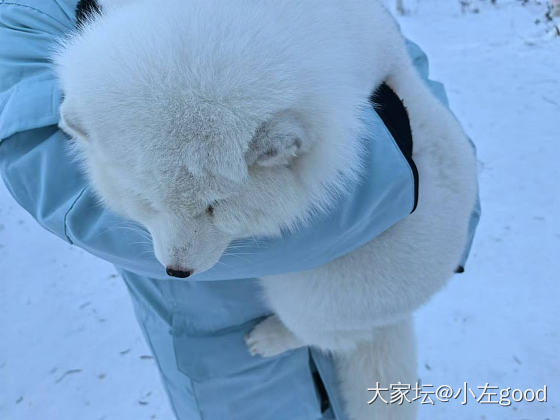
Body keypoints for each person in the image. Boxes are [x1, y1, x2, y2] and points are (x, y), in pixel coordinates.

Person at [0, 1, 479, 418]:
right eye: (151, 206)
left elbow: (409, 98)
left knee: (333, 324)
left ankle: (309, 329)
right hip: (223, 365)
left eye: (209, 211)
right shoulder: (27, 20)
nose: (175, 257)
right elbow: (63, 180)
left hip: (357, 282)